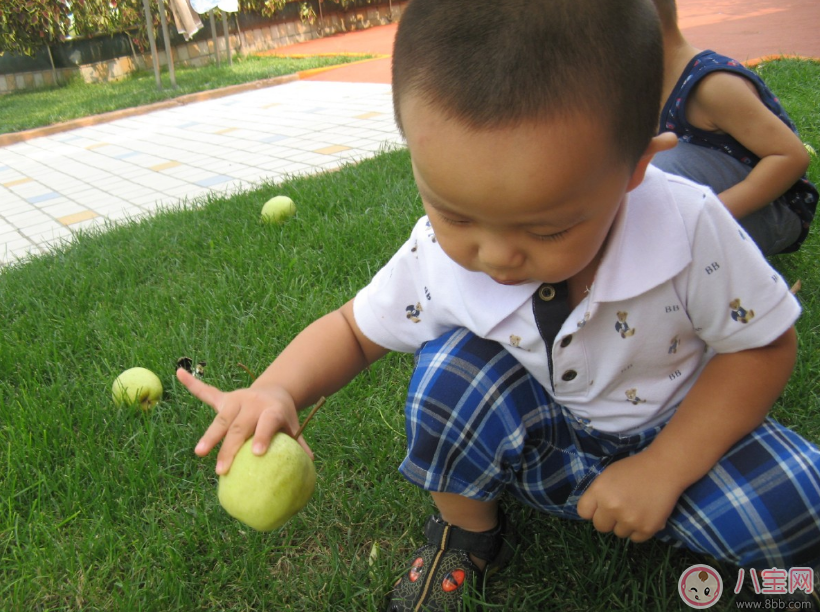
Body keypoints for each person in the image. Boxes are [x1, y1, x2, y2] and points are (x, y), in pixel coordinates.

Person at [177, 1, 820, 610]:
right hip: (544, 440)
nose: (494, 255)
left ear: (636, 168)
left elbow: (762, 347)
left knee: (798, 508)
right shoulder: (437, 252)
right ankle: (466, 532)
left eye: (546, 229)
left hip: (680, 426)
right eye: (454, 212)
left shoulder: (689, 226)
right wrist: (275, 389)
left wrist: (666, 467)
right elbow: (352, 329)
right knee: (449, 375)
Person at [651, 0, 818, 256]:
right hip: (698, 195)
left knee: (657, 167)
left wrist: (708, 216)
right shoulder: (636, 82)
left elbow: (791, 158)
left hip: (772, 210)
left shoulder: (712, 86)